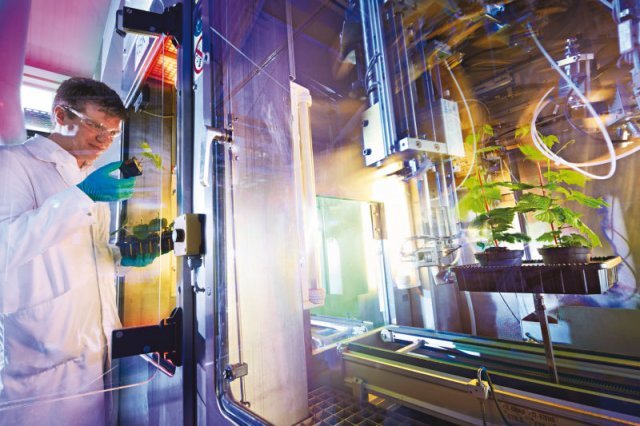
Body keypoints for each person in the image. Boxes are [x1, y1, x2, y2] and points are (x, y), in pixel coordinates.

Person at [0, 77, 156, 425]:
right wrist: (82, 196)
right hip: (43, 366)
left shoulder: (88, 177)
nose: (105, 140)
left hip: (97, 355)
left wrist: (121, 258)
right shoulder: (12, 164)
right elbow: (5, 249)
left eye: (112, 132)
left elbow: (80, 259)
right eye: (96, 126)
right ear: (61, 115)